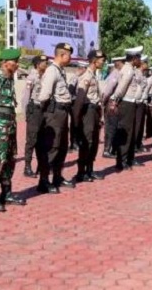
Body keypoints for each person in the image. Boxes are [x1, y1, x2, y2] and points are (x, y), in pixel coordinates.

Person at [0, 48, 26, 212]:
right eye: (14, 61)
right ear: (4, 63)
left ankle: (6, 193)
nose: (17, 64)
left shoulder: (9, 80)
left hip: (9, 126)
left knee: (9, 159)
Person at [36, 42, 74, 193]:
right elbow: (44, 95)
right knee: (52, 146)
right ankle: (44, 181)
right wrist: (46, 113)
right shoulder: (52, 71)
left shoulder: (60, 70)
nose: (70, 58)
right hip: (54, 112)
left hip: (62, 112)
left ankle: (57, 176)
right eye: (69, 55)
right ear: (62, 55)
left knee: (62, 146)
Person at [108, 47, 145, 171]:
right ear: (134, 58)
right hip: (126, 103)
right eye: (139, 58)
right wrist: (115, 99)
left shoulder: (131, 69)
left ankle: (129, 158)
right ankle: (121, 161)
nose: (140, 60)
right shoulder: (128, 70)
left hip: (131, 103)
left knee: (131, 132)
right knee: (126, 132)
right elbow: (122, 87)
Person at [73, 49, 105, 182]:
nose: (103, 62)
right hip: (88, 112)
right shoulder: (86, 76)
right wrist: (76, 119)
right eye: (101, 60)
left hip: (95, 111)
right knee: (87, 141)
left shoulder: (94, 75)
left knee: (95, 141)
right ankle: (81, 172)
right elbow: (80, 99)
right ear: (94, 61)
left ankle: (90, 170)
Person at [22, 55, 48, 177]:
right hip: (34, 110)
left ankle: (41, 166)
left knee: (42, 139)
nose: (46, 64)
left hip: (43, 110)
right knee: (31, 140)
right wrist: (26, 114)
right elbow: (26, 97)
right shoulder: (32, 77)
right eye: (44, 62)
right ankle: (27, 167)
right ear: (38, 64)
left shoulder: (45, 76)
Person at [101, 56, 124, 157]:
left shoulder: (117, 73)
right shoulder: (115, 74)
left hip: (115, 103)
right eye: (123, 63)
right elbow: (108, 91)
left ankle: (112, 149)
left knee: (115, 126)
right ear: (118, 63)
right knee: (111, 127)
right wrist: (104, 102)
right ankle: (107, 150)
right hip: (111, 104)